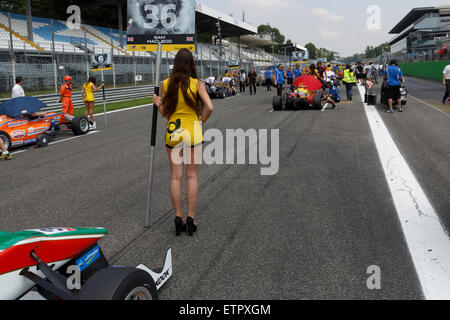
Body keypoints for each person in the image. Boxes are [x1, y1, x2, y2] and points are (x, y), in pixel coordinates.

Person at [151, 48, 214, 237]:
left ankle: (178, 217)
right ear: (191, 64)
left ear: (175, 64)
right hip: (193, 132)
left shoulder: (165, 84)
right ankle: (191, 218)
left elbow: (165, 114)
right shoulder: (197, 84)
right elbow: (210, 107)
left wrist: (158, 102)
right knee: (192, 176)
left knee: (175, 177)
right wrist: (201, 121)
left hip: (173, 133)